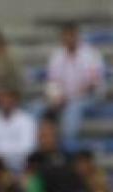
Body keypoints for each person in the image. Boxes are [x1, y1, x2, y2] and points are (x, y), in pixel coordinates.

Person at [45, 22, 106, 151]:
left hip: (89, 97)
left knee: (73, 108)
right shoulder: (57, 56)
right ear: (62, 38)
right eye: (65, 36)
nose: (68, 39)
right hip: (65, 98)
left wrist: (71, 97)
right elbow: (52, 82)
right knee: (37, 108)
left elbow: (93, 84)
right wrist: (56, 97)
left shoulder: (91, 54)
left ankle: (68, 145)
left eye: (71, 36)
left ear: (77, 36)